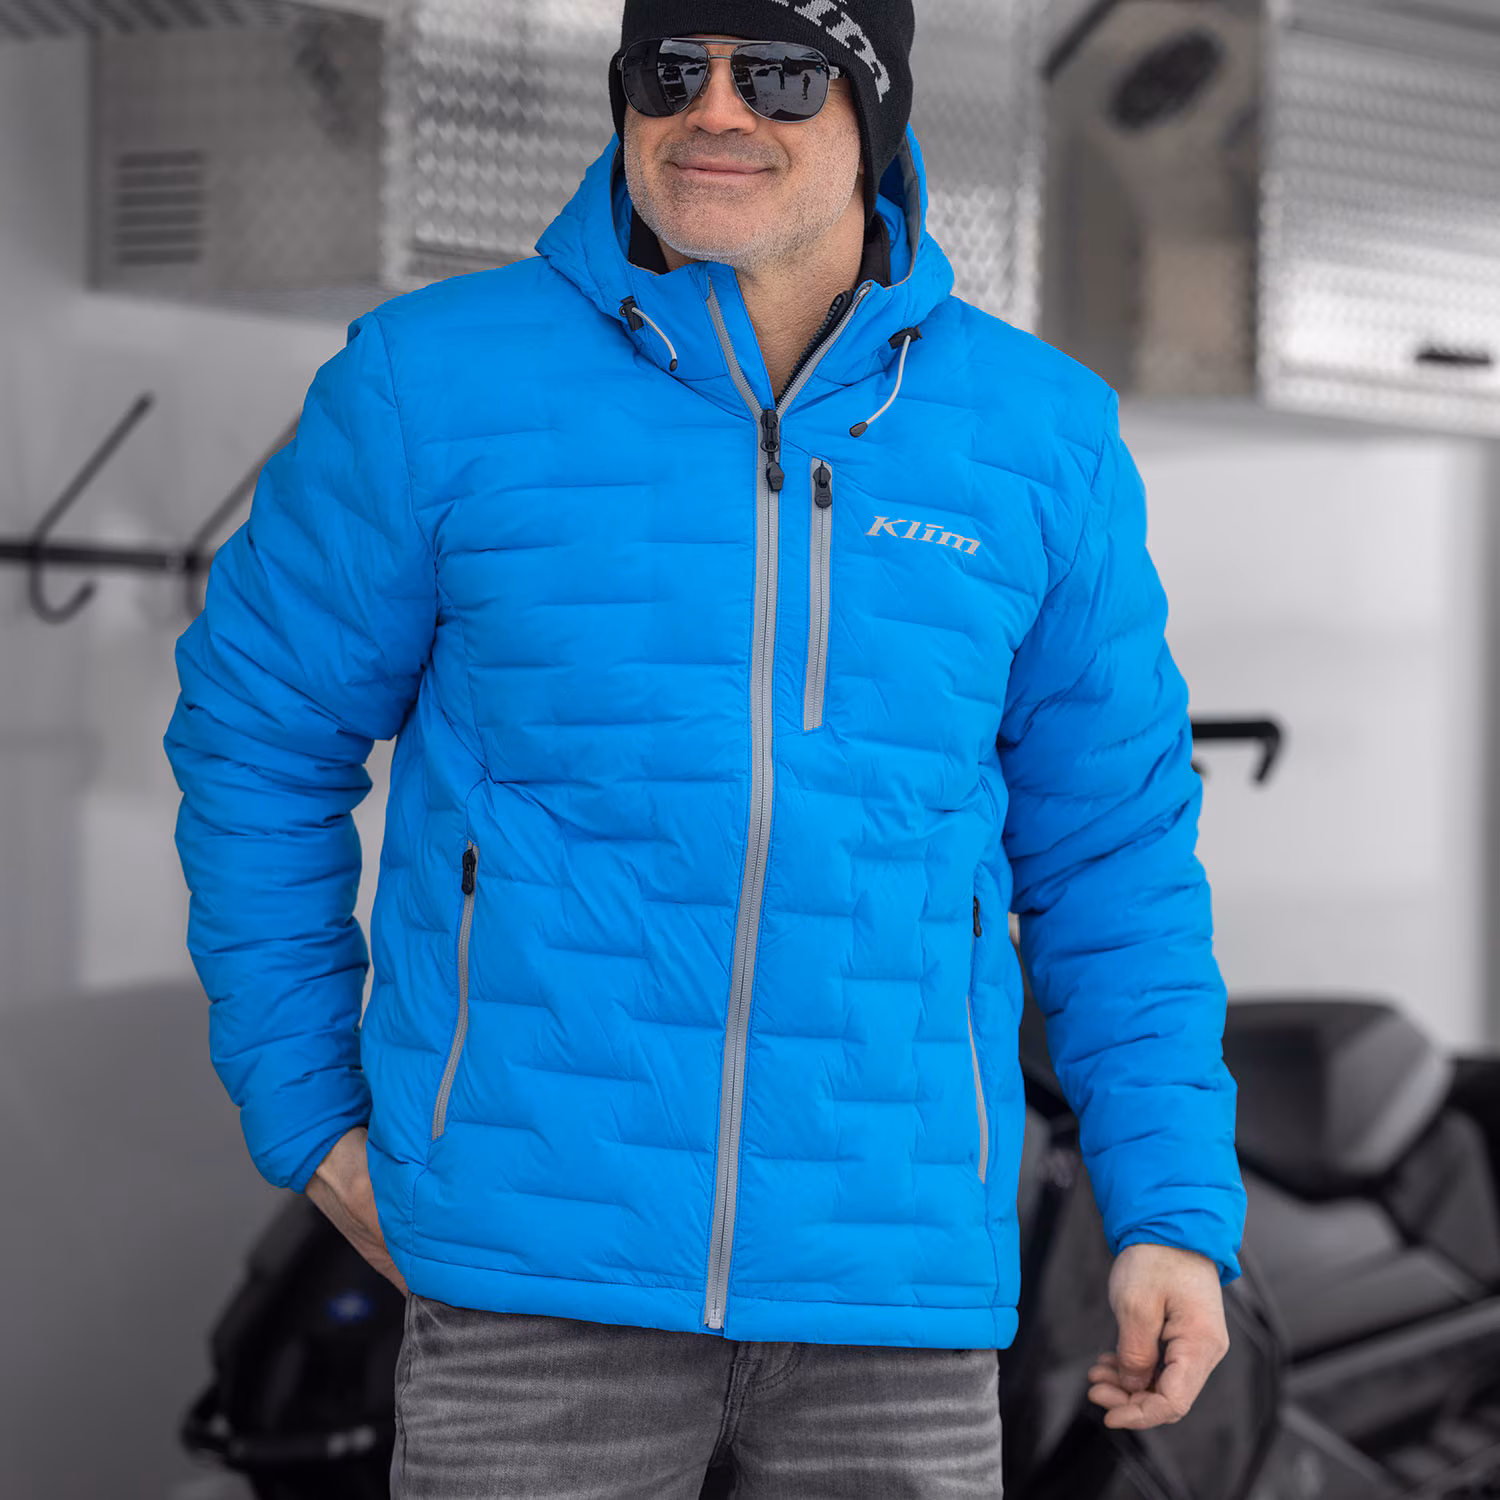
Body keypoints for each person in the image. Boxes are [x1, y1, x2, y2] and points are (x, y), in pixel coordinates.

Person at [163, 2, 1247, 1494]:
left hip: (894, 1282)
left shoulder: (1039, 434)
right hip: (534, 1278)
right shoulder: (428, 385)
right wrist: (305, 1110)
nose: (716, 110)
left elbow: (1114, 855)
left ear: (875, 113)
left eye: (782, 74)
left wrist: (1169, 1209)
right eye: (672, 69)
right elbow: (256, 744)